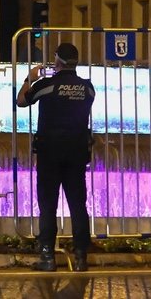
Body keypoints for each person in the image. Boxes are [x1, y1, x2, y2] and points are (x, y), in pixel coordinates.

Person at [17, 41, 95, 272]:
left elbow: (22, 101)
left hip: (50, 152)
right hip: (77, 151)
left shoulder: (46, 85)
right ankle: (81, 257)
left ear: (57, 61)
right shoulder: (87, 88)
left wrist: (30, 78)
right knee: (78, 205)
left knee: (48, 205)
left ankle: (48, 257)